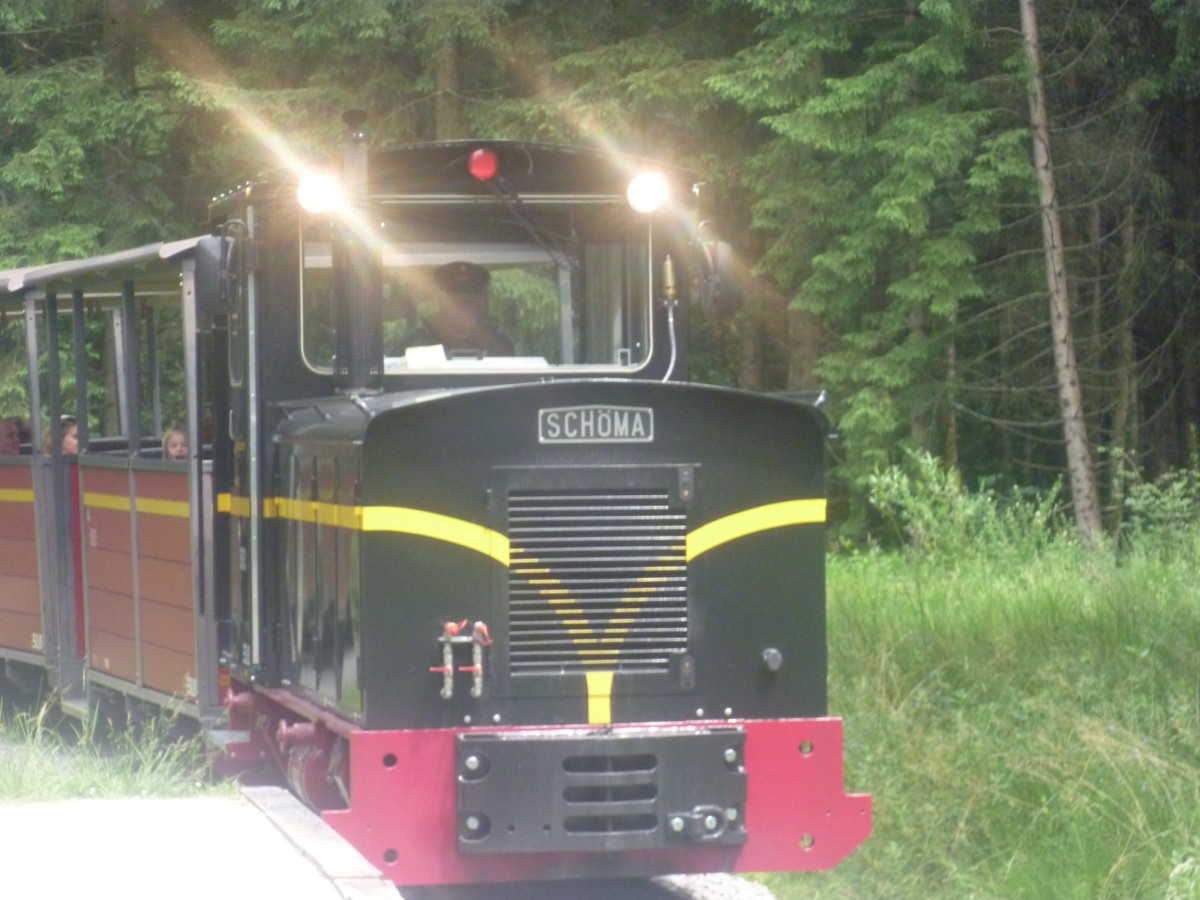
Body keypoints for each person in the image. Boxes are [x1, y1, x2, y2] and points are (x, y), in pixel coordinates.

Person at [403, 261, 514, 357]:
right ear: (440, 302)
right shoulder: (415, 343)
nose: (464, 308)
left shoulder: (498, 343)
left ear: (482, 302)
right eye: (456, 302)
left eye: (470, 301)